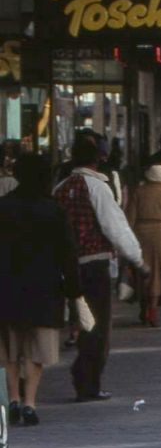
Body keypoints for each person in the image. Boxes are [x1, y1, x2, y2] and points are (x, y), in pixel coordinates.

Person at [54, 136, 146, 402]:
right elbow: (114, 226)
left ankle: (84, 376)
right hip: (95, 264)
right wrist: (138, 259)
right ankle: (88, 381)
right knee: (98, 327)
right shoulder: (97, 187)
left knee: (82, 321)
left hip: (67, 266)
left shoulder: (60, 187)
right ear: (99, 158)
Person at [0, 155, 83, 427]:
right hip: (44, 290)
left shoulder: (4, 207)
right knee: (37, 352)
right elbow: (68, 254)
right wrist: (74, 290)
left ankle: (12, 397)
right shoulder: (54, 210)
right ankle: (30, 403)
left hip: (7, 288)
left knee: (10, 349)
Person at [127, 165, 161, 328]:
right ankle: (153, 309)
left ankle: (144, 309)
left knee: (142, 271)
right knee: (159, 273)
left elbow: (129, 218)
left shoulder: (138, 192)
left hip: (140, 234)